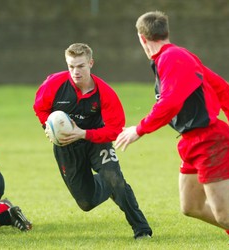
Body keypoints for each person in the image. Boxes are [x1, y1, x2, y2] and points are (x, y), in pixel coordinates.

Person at [115, 11, 229, 250]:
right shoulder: (178, 56)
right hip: (192, 141)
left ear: (142, 38)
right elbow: (223, 89)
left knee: (225, 214)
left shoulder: (172, 58)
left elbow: (170, 103)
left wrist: (139, 130)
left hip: (210, 140)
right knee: (191, 206)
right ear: (165, 32)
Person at [33, 43, 152, 239]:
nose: (75, 71)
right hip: (66, 148)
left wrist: (84, 134)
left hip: (96, 142)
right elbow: (40, 108)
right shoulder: (54, 84)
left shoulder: (104, 92)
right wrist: (48, 127)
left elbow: (114, 129)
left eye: (80, 66)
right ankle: (106, 184)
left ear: (91, 63)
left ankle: (142, 229)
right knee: (86, 202)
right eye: (71, 66)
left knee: (116, 180)